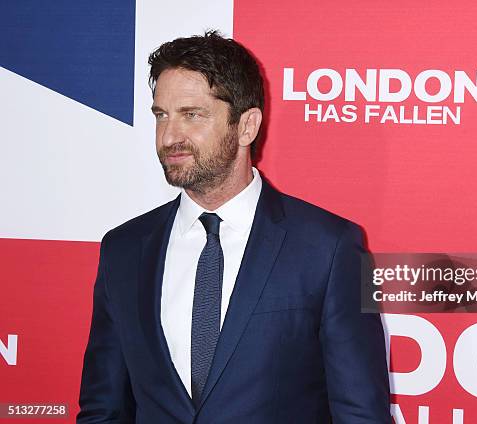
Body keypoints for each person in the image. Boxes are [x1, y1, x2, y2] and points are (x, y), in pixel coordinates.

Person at [77, 30, 390, 423]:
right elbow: (103, 408)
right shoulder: (124, 248)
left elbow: (361, 414)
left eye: (192, 115)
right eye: (161, 115)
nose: (169, 136)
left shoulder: (329, 248)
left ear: (247, 126)